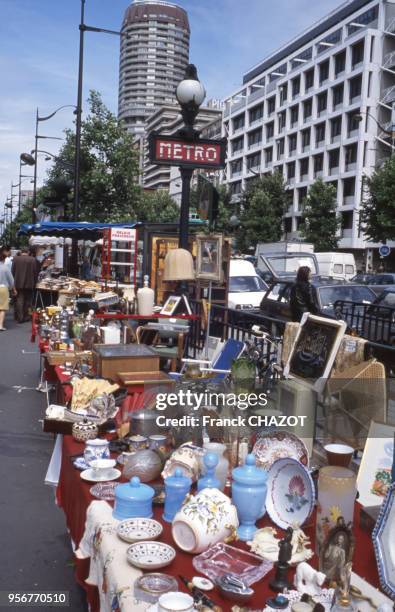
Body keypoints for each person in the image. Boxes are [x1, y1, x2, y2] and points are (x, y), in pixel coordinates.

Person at [11, 247, 38, 323]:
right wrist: (35, 282)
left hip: (18, 282)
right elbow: (35, 272)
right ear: (28, 252)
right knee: (28, 300)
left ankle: (20, 317)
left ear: (21, 251)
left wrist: (12, 283)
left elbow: (13, 271)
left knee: (19, 300)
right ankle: (26, 316)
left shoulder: (15, 259)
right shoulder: (32, 259)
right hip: (30, 283)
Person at [0, 252, 16, 331]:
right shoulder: (5, 268)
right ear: (3, 259)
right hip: (3, 288)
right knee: (2, 308)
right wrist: (13, 289)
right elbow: (11, 281)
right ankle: (0, 325)